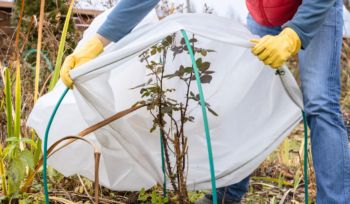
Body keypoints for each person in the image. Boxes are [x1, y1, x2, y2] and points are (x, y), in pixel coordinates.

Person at [60, 0, 350, 203]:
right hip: (263, 17)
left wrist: (294, 35)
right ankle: (228, 194)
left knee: (320, 105)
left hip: (316, 10)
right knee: (244, 102)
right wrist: (98, 41)